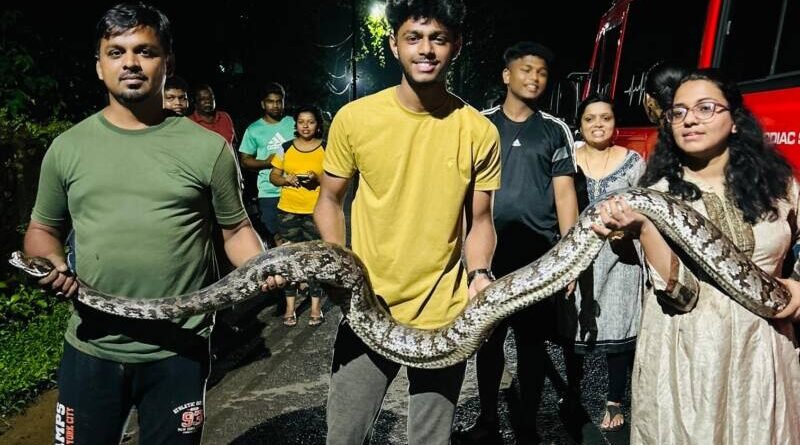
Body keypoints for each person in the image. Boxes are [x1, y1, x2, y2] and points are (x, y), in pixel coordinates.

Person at [23, 4, 274, 444]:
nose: (131, 63)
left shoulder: (208, 149)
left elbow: (235, 231)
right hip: (92, 345)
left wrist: (263, 269)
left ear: (167, 62)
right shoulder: (67, 148)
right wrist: (49, 262)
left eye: (145, 51)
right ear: (99, 66)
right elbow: (43, 230)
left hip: (179, 348)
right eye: (116, 52)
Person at [313, 0, 500, 443]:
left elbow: (480, 221)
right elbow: (328, 201)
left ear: (456, 46)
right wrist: (339, 268)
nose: (426, 50)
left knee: (430, 440)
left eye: (439, 39)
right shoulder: (355, 119)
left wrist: (479, 274)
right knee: (343, 437)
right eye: (414, 37)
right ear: (395, 45)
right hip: (366, 307)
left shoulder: (478, 131)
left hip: (445, 315)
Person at [594, 68, 800, 444]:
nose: (689, 119)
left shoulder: (781, 187)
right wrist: (644, 229)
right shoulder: (655, 196)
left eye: (705, 108)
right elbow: (681, 295)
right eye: (678, 112)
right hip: (687, 355)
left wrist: (797, 288)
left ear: (735, 121)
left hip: (764, 352)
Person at [456, 41, 578, 444]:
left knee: (531, 343)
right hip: (488, 257)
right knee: (488, 341)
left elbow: (565, 196)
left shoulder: (555, 129)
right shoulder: (479, 124)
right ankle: (488, 420)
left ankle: (527, 424)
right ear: (507, 75)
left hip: (539, 258)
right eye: (526, 69)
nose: (534, 78)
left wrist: (571, 260)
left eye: (541, 72)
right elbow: (461, 189)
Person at [561, 93, 646, 432]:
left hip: (621, 256)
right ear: (580, 125)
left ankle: (614, 400)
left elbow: (646, 210)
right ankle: (572, 391)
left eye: (606, 118)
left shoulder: (633, 161)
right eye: (590, 118)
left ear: (615, 124)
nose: (598, 124)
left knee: (620, 323)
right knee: (572, 324)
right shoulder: (566, 159)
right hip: (577, 255)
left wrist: (629, 233)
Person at [269, 105, 326, 327]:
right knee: (288, 259)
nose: (305, 126)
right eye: (301, 122)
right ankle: (290, 308)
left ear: (317, 125)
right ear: (296, 125)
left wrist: (317, 179)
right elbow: (274, 176)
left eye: (310, 122)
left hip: (316, 212)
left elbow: (335, 178)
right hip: (288, 212)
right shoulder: (285, 148)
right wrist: (286, 179)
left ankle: (315, 308)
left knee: (314, 260)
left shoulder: (326, 148)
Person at [239, 82, 296, 247]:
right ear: (263, 104)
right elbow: (245, 160)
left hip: (296, 189)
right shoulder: (253, 129)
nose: (276, 105)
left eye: (279, 101)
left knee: (296, 238)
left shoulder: (293, 123)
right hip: (269, 192)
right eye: (271, 101)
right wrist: (267, 162)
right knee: (276, 237)